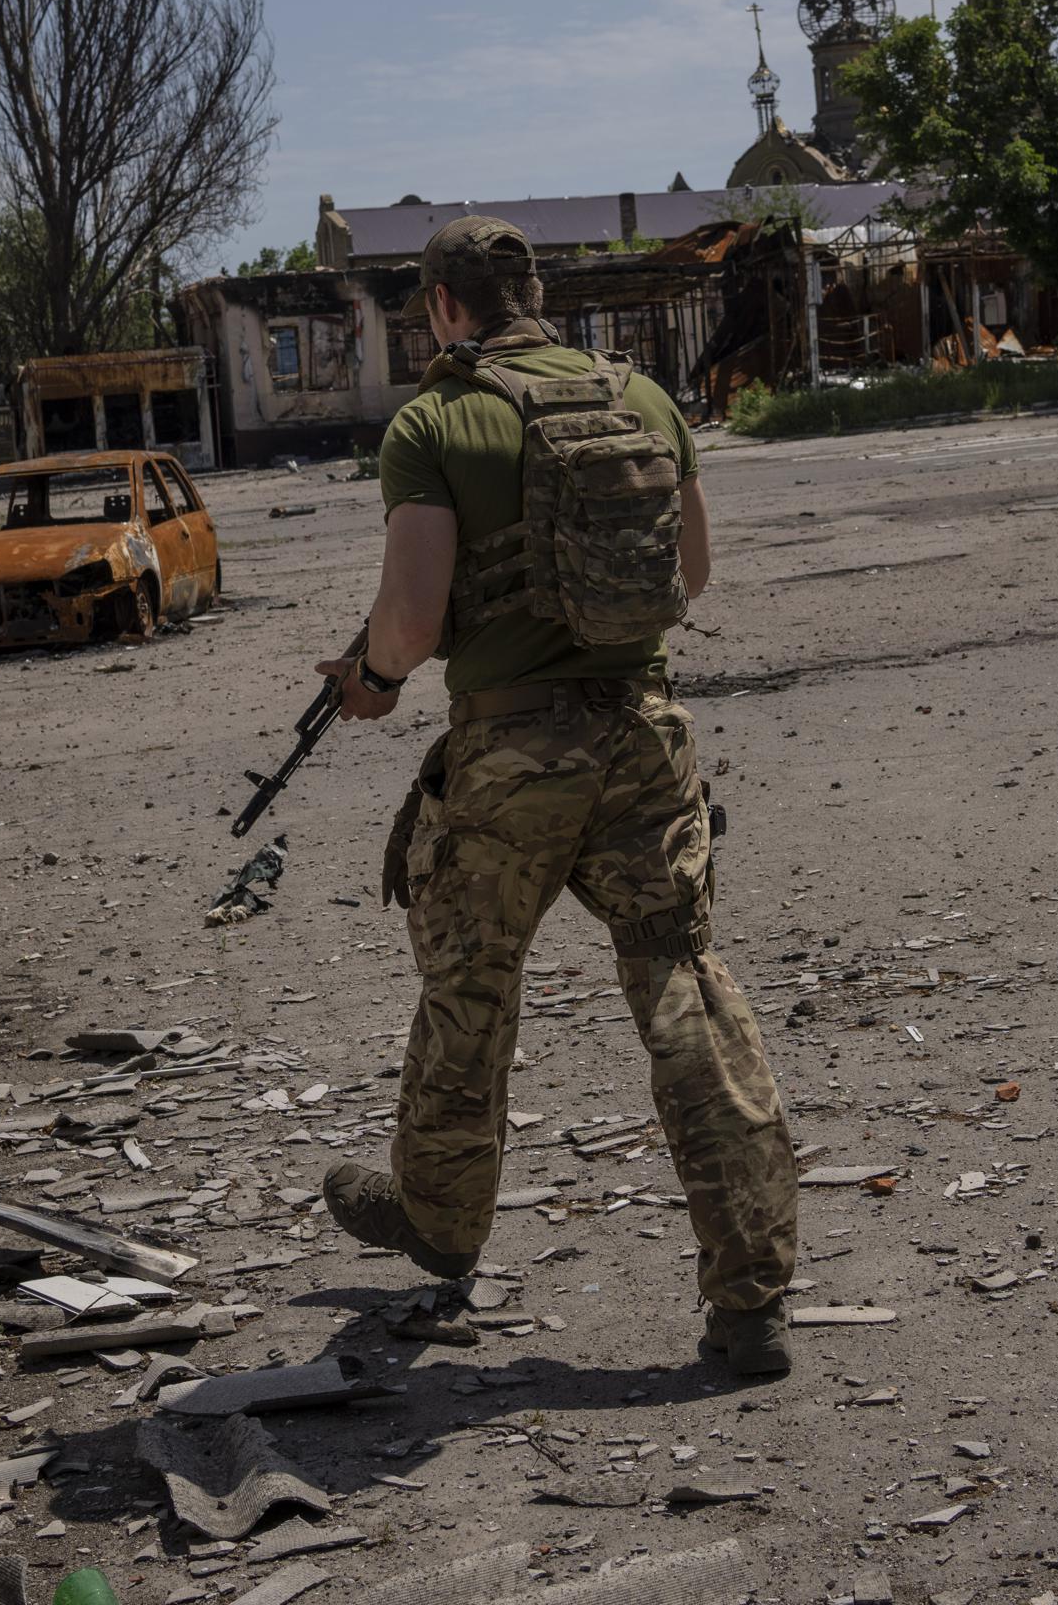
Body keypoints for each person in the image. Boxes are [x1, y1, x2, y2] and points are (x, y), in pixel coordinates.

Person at [313, 214, 800, 1379]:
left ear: (442, 306)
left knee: (470, 984)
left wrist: (372, 678)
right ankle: (752, 1295)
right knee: (682, 977)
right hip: (644, 736)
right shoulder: (642, 400)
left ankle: (438, 1218)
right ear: (536, 292)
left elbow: (415, 620)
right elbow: (689, 573)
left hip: (513, 755)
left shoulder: (433, 422)